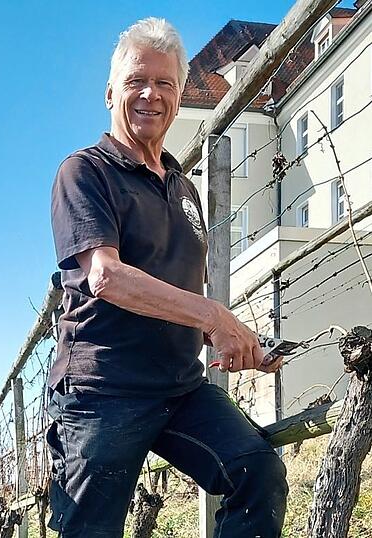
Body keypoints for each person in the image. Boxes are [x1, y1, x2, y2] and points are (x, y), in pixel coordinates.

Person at [46, 17, 288, 537]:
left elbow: (179, 288)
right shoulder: (84, 172)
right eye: (136, 81)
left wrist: (236, 340)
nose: (150, 94)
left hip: (179, 387)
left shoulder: (183, 185)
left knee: (258, 471)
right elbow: (106, 277)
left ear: (178, 97)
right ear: (110, 92)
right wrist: (215, 315)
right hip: (102, 389)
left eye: (164, 83)